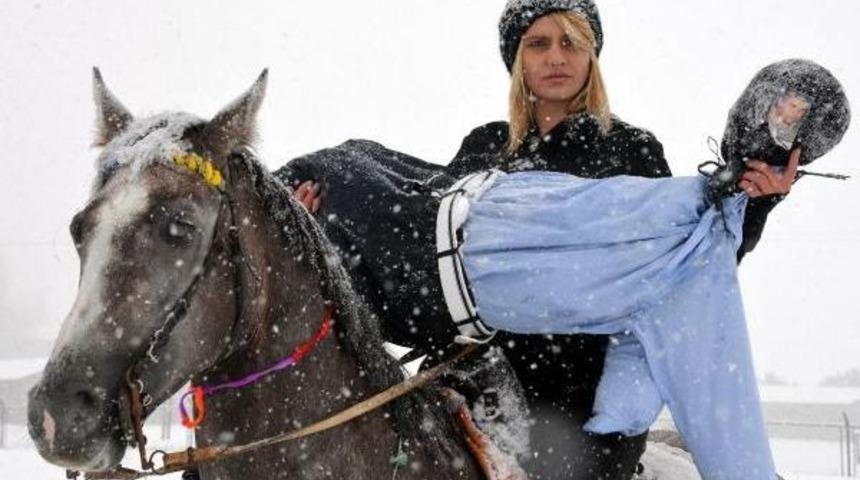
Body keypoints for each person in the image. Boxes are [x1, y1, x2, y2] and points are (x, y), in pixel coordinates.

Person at [288, 2, 795, 478]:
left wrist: (755, 202)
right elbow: (432, 258)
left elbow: (684, 260)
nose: (556, 57)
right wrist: (315, 227)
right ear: (518, 61)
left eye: (572, 43)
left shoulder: (630, 149)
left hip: (580, 394)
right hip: (474, 376)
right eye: (538, 43)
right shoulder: (486, 145)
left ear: (592, 57)